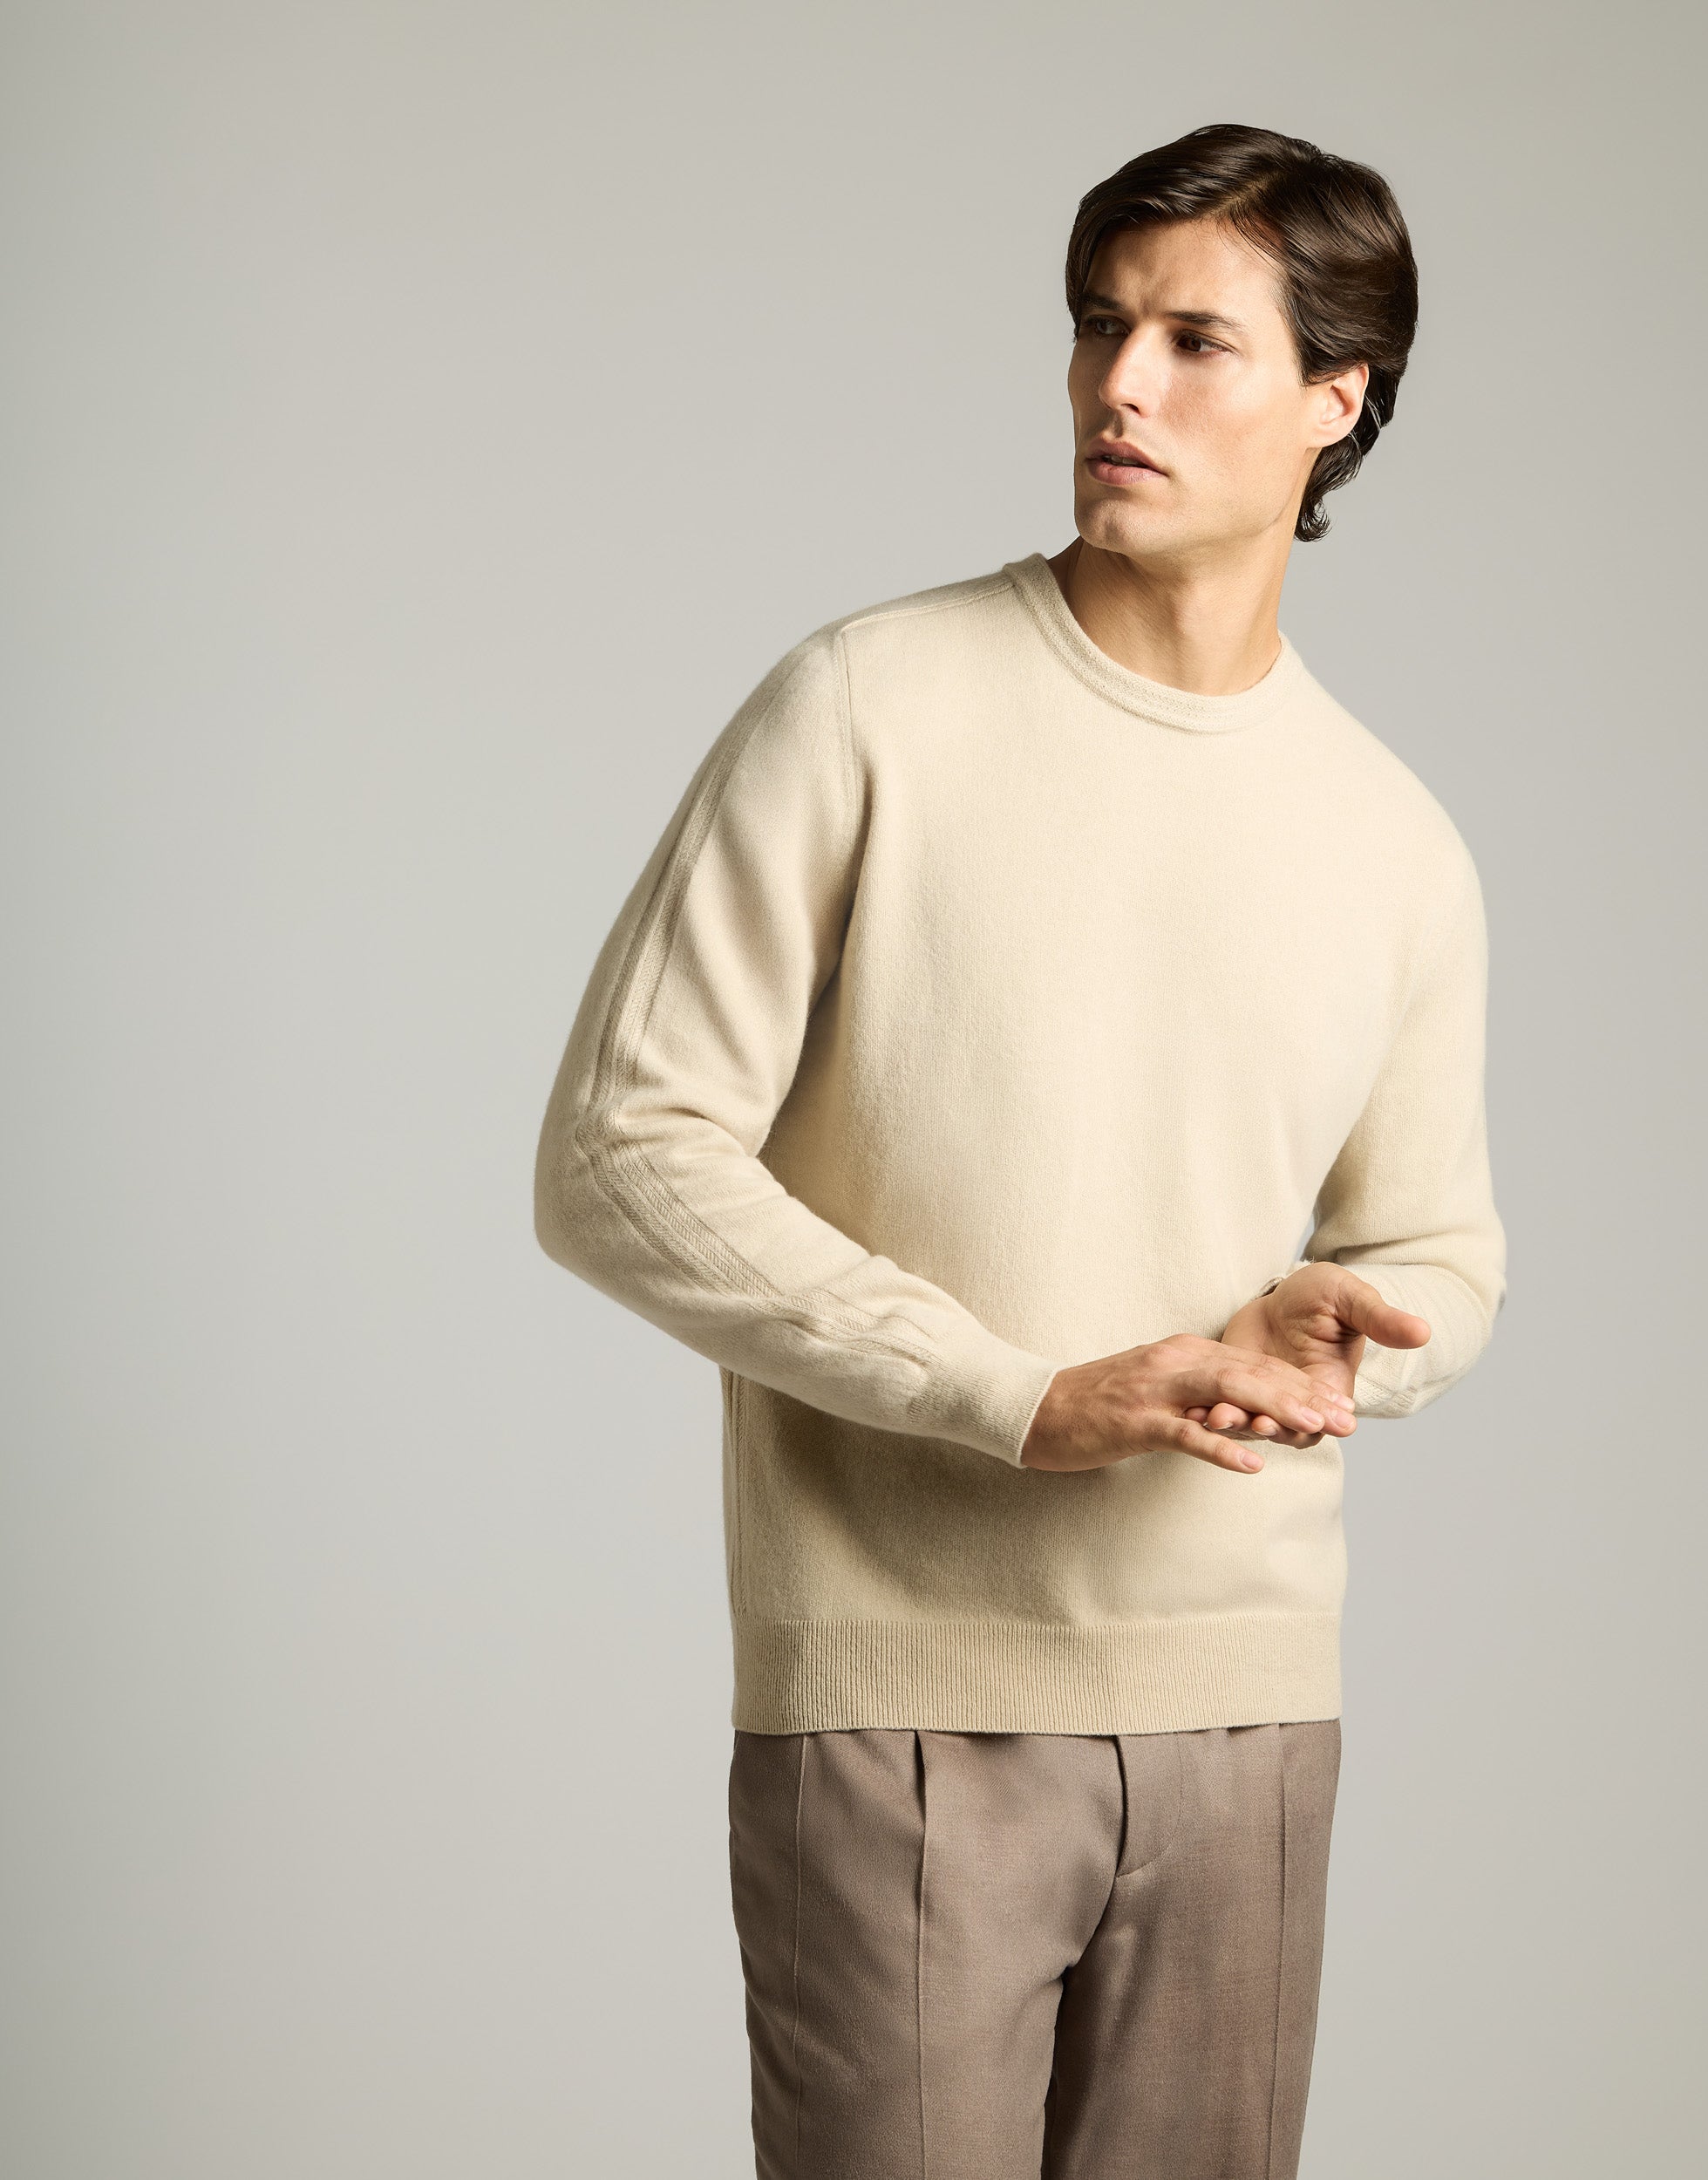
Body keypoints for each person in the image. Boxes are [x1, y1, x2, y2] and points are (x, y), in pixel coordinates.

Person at [533, 119, 1506, 2180]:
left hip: (1246, 1707)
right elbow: (618, 1150)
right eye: (1095, 324)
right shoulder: (866, 704)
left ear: (1336, 401)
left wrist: (1351, 1328)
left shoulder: (1393, 838)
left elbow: (1441, 1243)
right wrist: (1010, 1392)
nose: (1115, 384)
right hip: (897, 1699)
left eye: (1193, 340)